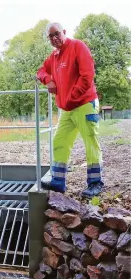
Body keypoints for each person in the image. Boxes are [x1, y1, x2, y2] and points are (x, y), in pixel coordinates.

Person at [37, 22, 104, 198]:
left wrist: (71, 96)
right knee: (59, 141)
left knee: (91, 142)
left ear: (64, 32)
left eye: (56, 34)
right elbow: (41, 71)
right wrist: (48, 80)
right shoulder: (54, 56)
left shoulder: (77, 47)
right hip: (67, 109)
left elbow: (87, 75)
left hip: (84, 104)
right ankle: (58, 182)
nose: (54, 38)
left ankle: (95, 184)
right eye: (50, 36)